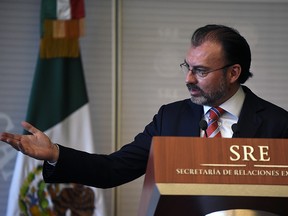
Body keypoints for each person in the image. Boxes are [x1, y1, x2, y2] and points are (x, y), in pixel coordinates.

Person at [1, 24, 288, 189]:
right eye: (187, 67)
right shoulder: (170, 118)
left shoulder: (278, 124)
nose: (188, 79)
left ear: (233, 72)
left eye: (200, 71)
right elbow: (114, 169)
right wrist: (55, 154)